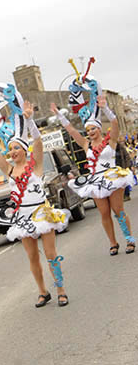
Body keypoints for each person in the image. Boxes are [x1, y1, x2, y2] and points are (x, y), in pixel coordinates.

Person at [0, 100, 69, 307]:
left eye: (17, 148)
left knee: (51, 254)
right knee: (32, 257)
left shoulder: (36, 167)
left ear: (25, 150)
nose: (13, 151)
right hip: (22, 217)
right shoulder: (8, 170)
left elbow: (38, 141)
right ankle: (43, 292)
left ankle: (60, 289)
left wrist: (29, 120)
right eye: (10, 149)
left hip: (41, 214)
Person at [53, 87, 135, 254]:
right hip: (96, 182)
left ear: (99, 129)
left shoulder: (110, 141)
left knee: (118, 210)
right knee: (104, 213)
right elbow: (71, 130)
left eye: (93, 128)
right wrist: (59, 114)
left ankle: (129, 240)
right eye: (88, 129)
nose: (90, 132)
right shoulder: (85, 144)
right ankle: (113, 243)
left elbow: (115, 123)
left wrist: (104, 107)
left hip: (112, 177)